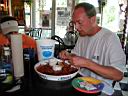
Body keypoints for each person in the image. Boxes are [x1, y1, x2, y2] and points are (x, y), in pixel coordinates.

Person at [59, 2, 126, 86]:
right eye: (74, 23)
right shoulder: (82, 36)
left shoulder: (110, 38)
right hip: (80, 81)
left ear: (93, 19)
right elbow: (76, 56)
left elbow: (118, 75)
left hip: (102, 87)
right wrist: (68, 55)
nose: (76, 27)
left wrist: (87, 63)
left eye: (79, 22)